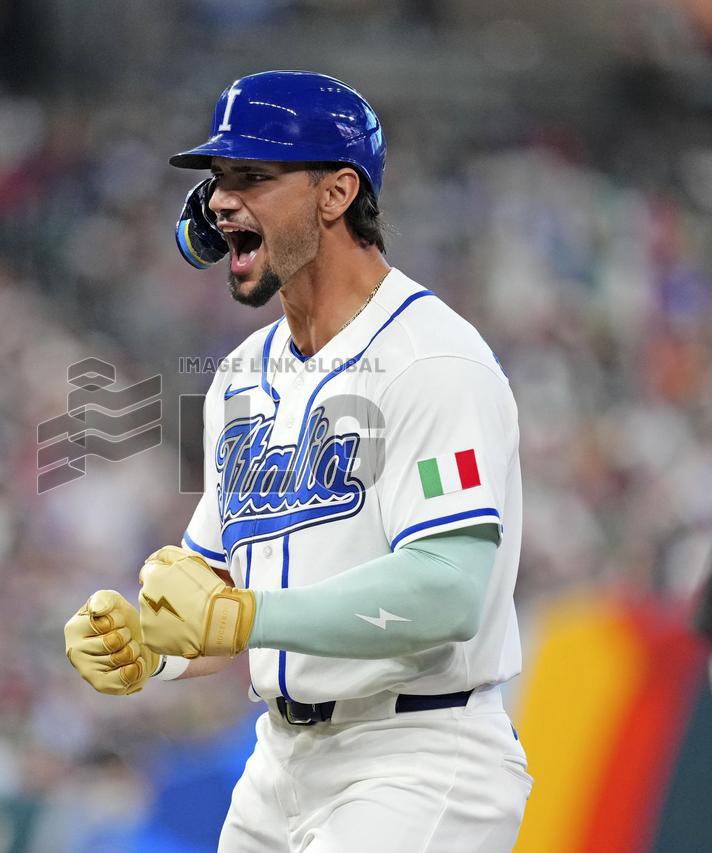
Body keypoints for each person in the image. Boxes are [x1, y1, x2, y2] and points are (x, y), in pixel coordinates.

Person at [65, 70, 532, 852]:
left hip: (419, 753)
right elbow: (215, 591)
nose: (218, 201)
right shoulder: (242, 375)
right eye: (218, 181)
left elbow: (449, 589)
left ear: (336, 193)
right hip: (279, 759)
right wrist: (151, 646)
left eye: (252, 175)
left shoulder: (433, 357)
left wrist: (248, 617)